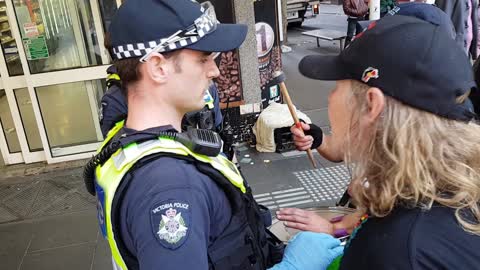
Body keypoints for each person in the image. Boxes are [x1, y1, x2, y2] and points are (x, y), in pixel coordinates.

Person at [83, 0, 344, 269]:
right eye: (203, 59)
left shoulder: (140, 149)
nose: (215, 70)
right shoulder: (170, 187)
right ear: (158, 67)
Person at [282, 14, 480, 269]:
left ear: (371, 106)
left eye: (336, 87)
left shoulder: (394, 250)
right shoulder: (454, 190)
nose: (331, 98)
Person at [99, 65, 224, 137]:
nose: (214, 71)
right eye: (201, 59)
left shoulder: (207, 87)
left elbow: (219, 133)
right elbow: (117, 148)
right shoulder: (118, 97)